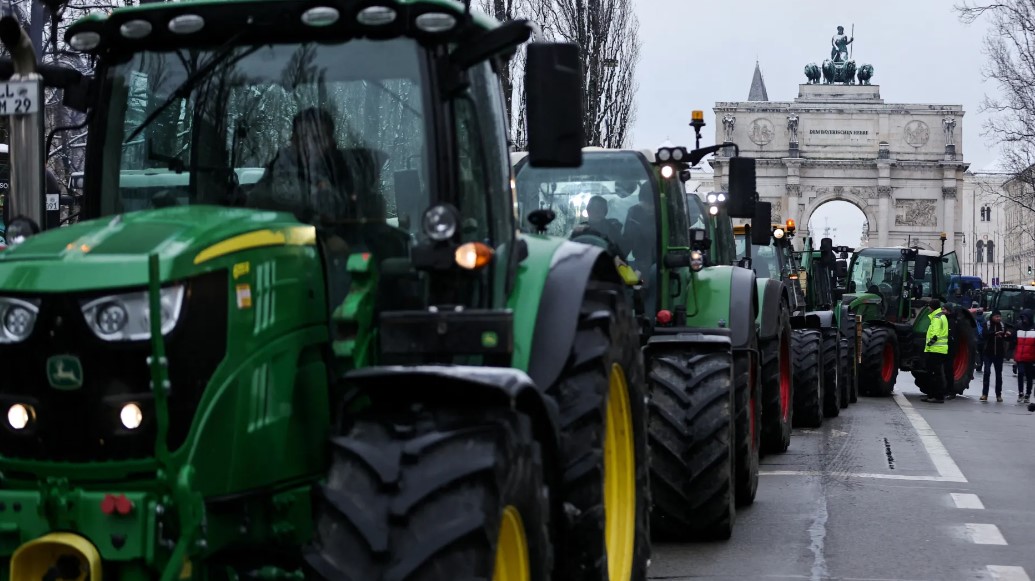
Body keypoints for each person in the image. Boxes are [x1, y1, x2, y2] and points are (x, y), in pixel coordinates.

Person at [250, 107, 357, 221]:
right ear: (294, 140)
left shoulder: (344, 173)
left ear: (330, 142)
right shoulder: (275, 173)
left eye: (317, 139)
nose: (309, 146)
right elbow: (255, 209)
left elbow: (353, 215)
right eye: (303, 138)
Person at [921, 299, 949, 403]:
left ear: (932, 307)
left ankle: (936, 396)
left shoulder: (937, 318)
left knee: (934, 374)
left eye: (929, 306)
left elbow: (935, 335)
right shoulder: (941, 316)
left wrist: (929, 344)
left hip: (935, 349)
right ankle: (935, 395)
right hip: (939, 350)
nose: (928, 308)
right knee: (936, 374)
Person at [981, 310, 1010, 402]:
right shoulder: (987, 324)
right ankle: (984, 394)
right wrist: (994, 334)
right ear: (992, 317)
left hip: (999, 354)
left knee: (998, 375)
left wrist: (1006, 335)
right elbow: (984, 335)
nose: (998, 318)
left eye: (999, 317)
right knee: (987, 372)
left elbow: (1006, 337)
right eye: (996, 316)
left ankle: (998, 395)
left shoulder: (1002, 325)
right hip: (988, 353)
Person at [1012, 309, 1035, 404]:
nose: (1024, 319)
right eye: (1022, 318)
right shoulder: (1018, 327)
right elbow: (1014, 340)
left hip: (1030, 356)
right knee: (1020, 373)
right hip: (1020, 355)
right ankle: (1021, 393)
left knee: (1029, 376)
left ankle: (1028, 394)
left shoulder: (1034, 328)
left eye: (1025, 318)